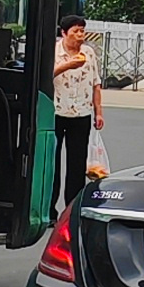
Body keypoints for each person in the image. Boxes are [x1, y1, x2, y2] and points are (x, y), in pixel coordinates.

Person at [50, 17, 100, 211]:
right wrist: (67, 65)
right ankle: (50, 209)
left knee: (77, 164)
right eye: (75, 31)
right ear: (64, 32)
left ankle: (72, 207)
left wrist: (98, 112)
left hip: (81, 113)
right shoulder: (54, 52)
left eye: (82, 31)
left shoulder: (88, 53)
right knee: (53, 163)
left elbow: (96, 83)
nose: (80, 35)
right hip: (56, 112)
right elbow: (46, 76)